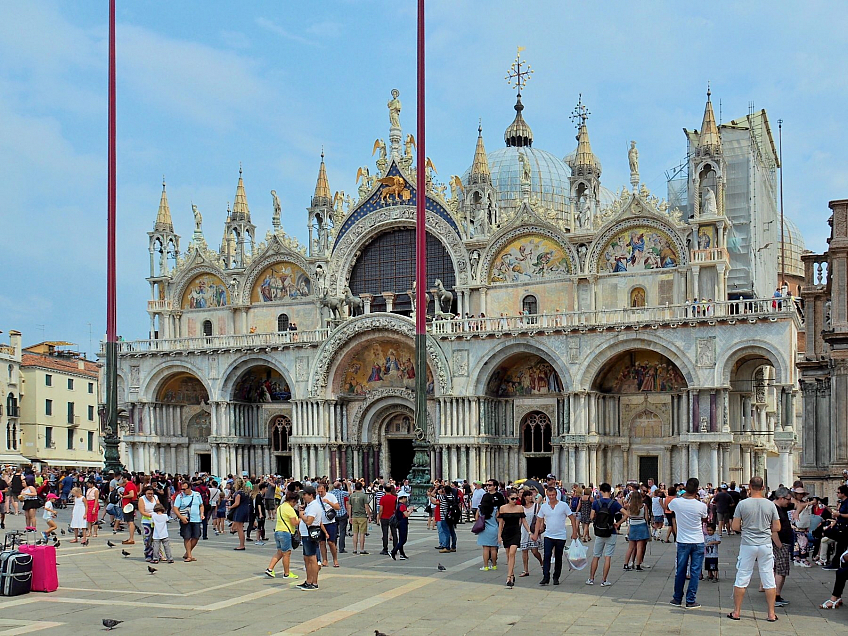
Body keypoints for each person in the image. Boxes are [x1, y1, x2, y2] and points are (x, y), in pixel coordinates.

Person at [727, 476, 780, 622]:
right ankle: (771, 613)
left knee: (742, 577)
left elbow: (735, 527)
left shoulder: (742, 504)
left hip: (748, 544)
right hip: (765, 544)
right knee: (768, 578)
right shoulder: (770, 505)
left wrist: (747, 528)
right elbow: (777, 527)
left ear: (749, 486)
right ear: (763, 487)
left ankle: (736, 611)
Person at [669, 477, 708, 609]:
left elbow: (668, 507)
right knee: (695, 571)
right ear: (697, 490)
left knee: (680, 570)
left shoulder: (677, 502)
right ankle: (691, 600)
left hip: (683, 540)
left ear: (685, 488)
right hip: (698, 540)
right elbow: (704, 517)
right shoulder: (701, 505)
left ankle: (677, 598)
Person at [533, 485, 579, 586]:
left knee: (558, 557)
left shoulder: (563, 505)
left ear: (556, 495)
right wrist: (536, 533)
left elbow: (572, 518)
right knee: (547, 555)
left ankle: (556, 576)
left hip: (560, 535)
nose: (552, 497)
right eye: (549, 495)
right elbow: (539, 520)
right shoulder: (544, 507)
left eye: (553, 495)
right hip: (548, 535)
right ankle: (546, 576)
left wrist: (574, 532)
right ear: (547, 495)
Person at [587, 483, 624, 587]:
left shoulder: (596, 502)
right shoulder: (614, 503)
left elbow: (591, 516)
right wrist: (618, 523)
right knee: (608, 557)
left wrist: (597, 520)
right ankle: (604, 580)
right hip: (611, 531)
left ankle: (591, 578)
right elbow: (626, 514)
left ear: (601, 490)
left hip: (599, 531)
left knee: (596, 556)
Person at [498, 489, 530, 588]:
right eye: (512, 498)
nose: (514, 500)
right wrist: (499, 535)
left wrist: (529, 532)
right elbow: (501, 523)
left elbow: (524, 521)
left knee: (512, 553)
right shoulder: (503, 508)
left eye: (516, 498)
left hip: (516, 532)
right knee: (508, 555)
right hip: (506, 532)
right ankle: (511, 573)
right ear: (507, 498)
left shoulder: (520, 508)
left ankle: (508, 577)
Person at [266, 491, 299, 579]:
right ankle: (287, 573)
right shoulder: (289, 509)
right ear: (292, 501)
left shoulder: (281, 507)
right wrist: (301, 519)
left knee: (280, 552)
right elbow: (294, 522)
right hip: (285, 533)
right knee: (286, 554)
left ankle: (270, 568)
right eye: (295, 502)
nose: (295, 504)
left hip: (278, 531)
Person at [296, 485, 323, 591]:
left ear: (311, 495)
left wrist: (301, 515)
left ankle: (314, 582)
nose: (303, 497)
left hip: (310, 535)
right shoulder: (309, 505)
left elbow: (309, 521)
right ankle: (308, 580)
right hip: (306, 535)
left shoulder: (314, 506)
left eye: (305, 495)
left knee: (312, 558)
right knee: (307, 558)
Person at [771, 487, 794, 606]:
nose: (789, 502)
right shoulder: (774, 509)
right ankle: (775, 596)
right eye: (788, 499)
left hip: (783, 542)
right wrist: (779, 545)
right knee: (781, 570)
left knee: (778, 569)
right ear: (781, 498)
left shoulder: (780, 508)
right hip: (780, 543)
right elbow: (773, 530)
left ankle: (776, 595)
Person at [173, 480, 204, 562]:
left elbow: (201, 505)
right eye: (182, 489)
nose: (183, 491)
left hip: (196, 519)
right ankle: (189, 556)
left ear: (190, 488)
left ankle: (187, 552)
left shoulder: (197, 495)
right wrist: (181, 517)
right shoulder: (180, 496)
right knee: (187, 537)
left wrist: (202, 513)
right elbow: (175, 508)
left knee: (196, 536)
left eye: (184, 489)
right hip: (185, 519)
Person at [476, 481, 502, 571]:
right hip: (494, 528)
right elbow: (498, 518)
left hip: (484, 529)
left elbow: (476, 518)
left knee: (485, 548)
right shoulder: (495, 509)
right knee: (494, 548)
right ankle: (494, 565)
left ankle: (486, 566)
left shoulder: (480, 509)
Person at [623, 490, 651, 570]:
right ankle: (638, 564)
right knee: (639, 547)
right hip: (642, 525)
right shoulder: (644, 506)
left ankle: (626, 564)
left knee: (630, 547)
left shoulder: (629, 506)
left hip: (633, 526)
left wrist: (628, 497)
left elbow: (625, 507)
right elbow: (646, 518)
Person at [519, 489, 543, 577]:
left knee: (534, 551)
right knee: (524, 551)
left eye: (531, 495)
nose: (530, 497)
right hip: (524, 530)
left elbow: (541, 516)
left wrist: (540, 526)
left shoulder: (536, 506)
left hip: (533, 529)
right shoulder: (521, 507)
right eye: (528, 495)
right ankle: (525, 570)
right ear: (525, 497)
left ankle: (541, 562)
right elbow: (520, 520)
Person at [316, 482, 340, 567]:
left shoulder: (331, 496)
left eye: (321, 491)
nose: (320, 493)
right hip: (320, 523)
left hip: (330, 523)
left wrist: (329, 502)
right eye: (318, 491)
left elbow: (338, 507)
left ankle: (335, 559)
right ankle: (324, 560)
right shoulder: (317, 498)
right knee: (322, 542)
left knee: (331, 542)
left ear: (325, 490)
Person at [349, 481, 370, 555]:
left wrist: (349, 516)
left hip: (354, 516)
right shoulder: (364, 496)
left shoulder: (351, 496)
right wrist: (369, 515)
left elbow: (349, 507)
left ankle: (354, 549)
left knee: (355, 533)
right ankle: (361, 549)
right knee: (362, 533)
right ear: (361, 487)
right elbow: (366, 506)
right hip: (362, 516)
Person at [229, 478, 250, 550]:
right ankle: (242, 544)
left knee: (240, 528)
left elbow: (237, 503)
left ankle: (241, 545)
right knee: (240, 527)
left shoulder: (238, 493)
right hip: (245, 509)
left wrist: (230, 507)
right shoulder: (245, 492)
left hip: (240, 510)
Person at [139, 486, 158, 561]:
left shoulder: (156, 498)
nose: (150, 495)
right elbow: (142, 511)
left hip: (155, 521)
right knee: (147, 539)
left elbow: (159, 507)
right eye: (148, 493)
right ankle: (148, 554)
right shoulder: (142, 499)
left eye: (151, 493)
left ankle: (157, 554)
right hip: (146, 521)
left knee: (156, 538)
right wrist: (151, 515)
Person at [391, 493, 412, 560]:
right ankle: (394, 551)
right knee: (403, 540)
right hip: (403, 523)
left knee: (401, 539)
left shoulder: (398, 505)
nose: (406, 500)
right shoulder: (402, 506)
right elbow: (406, 515)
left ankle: (402, 553)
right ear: (402, 498)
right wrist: (410, 511)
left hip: (400, 523)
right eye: (405, 498)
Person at [330, 481, 350, 554]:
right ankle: (341, 548)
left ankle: (334, 546)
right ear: (339, 486)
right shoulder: (342, 493)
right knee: (342, 532)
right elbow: (350, 493)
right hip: (342, 513)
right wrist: (347, 484)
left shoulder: (330, 493)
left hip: (334, 514)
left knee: (334, 532)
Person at [378, 484, 398, 556]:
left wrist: (379, 517)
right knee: (394, 533)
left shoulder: (383, 498)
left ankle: (385, 549)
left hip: (384, 517)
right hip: (392, 517)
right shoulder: (394, 498)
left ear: (384, 490)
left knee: (385, 534)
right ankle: (395, 548)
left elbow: (381, 509)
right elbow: (396, 508)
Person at [120, 473, 138, 545]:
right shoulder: (132, 484)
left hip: (128, 505)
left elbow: (131, 494)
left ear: (125, 478)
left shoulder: (129, 485)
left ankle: (131, 538)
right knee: (130, 521)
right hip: (129, 505)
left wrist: (123, 496)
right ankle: (131, 538)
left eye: (123, 478)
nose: (122, 480)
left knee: (130, 521)